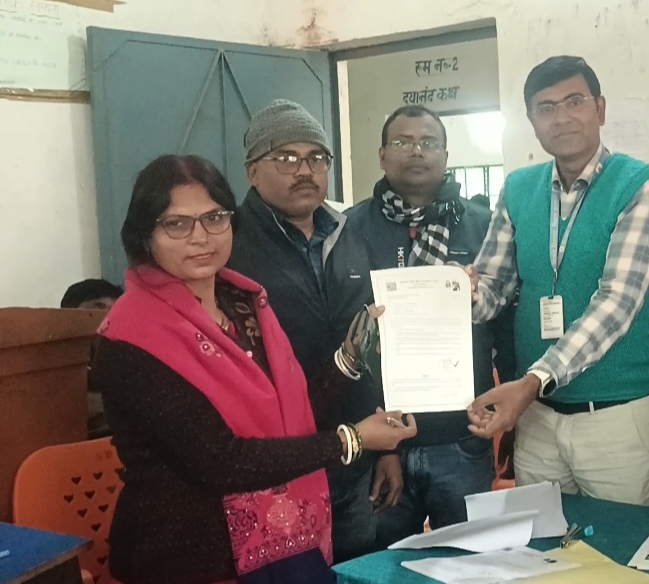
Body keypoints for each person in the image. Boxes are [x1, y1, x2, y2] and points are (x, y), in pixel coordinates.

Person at [91, 155, 417, 584]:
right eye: (177, 224)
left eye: (214, 218)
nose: (200, 237)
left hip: (283, 542)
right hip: (188, 558)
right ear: (145, 234)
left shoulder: (244, 305)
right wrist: (352, 439)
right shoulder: (131, 335)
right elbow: (223, 461)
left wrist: (350, 356)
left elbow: (291, 420)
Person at [464, 55, 649, 507]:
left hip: (616, 418)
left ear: (600, 108)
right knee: (543, 545)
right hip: (538, 418)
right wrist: (457, 293)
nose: (561, 118)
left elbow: (617, 303)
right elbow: (493, 290)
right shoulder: (518, 188)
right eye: (546, 108)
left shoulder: (642, 185)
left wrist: (533, 381)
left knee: (622, 549)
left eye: (574, 102)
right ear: (531, 122)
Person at [226, 99, 397, 561]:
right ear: (252, 171)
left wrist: (386, 451)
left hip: (354, 462)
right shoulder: (229, 246)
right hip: (278, 471)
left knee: (357, 570)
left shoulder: (350, 235)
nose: (305, 170)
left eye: (317, 157)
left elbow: (372, 343)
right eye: (286, 157)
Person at [346, 104, 516, 547]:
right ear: (382, 154)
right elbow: (346, 338)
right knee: (383, 565)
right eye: (402, 142)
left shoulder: (483, 228)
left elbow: (505, 324)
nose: (416, 151)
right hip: (380, 441)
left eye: (428, 142)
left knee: (471, 563)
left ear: (445, 154)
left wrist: (514, 415)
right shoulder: (349, 229)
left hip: (463, 438)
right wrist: (382, 448)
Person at [62, 278, 124, 438]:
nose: (107, 317)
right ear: (67, 316)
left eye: (115, 309)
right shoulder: (56, 374)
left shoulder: (129, 366)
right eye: (98, 307)